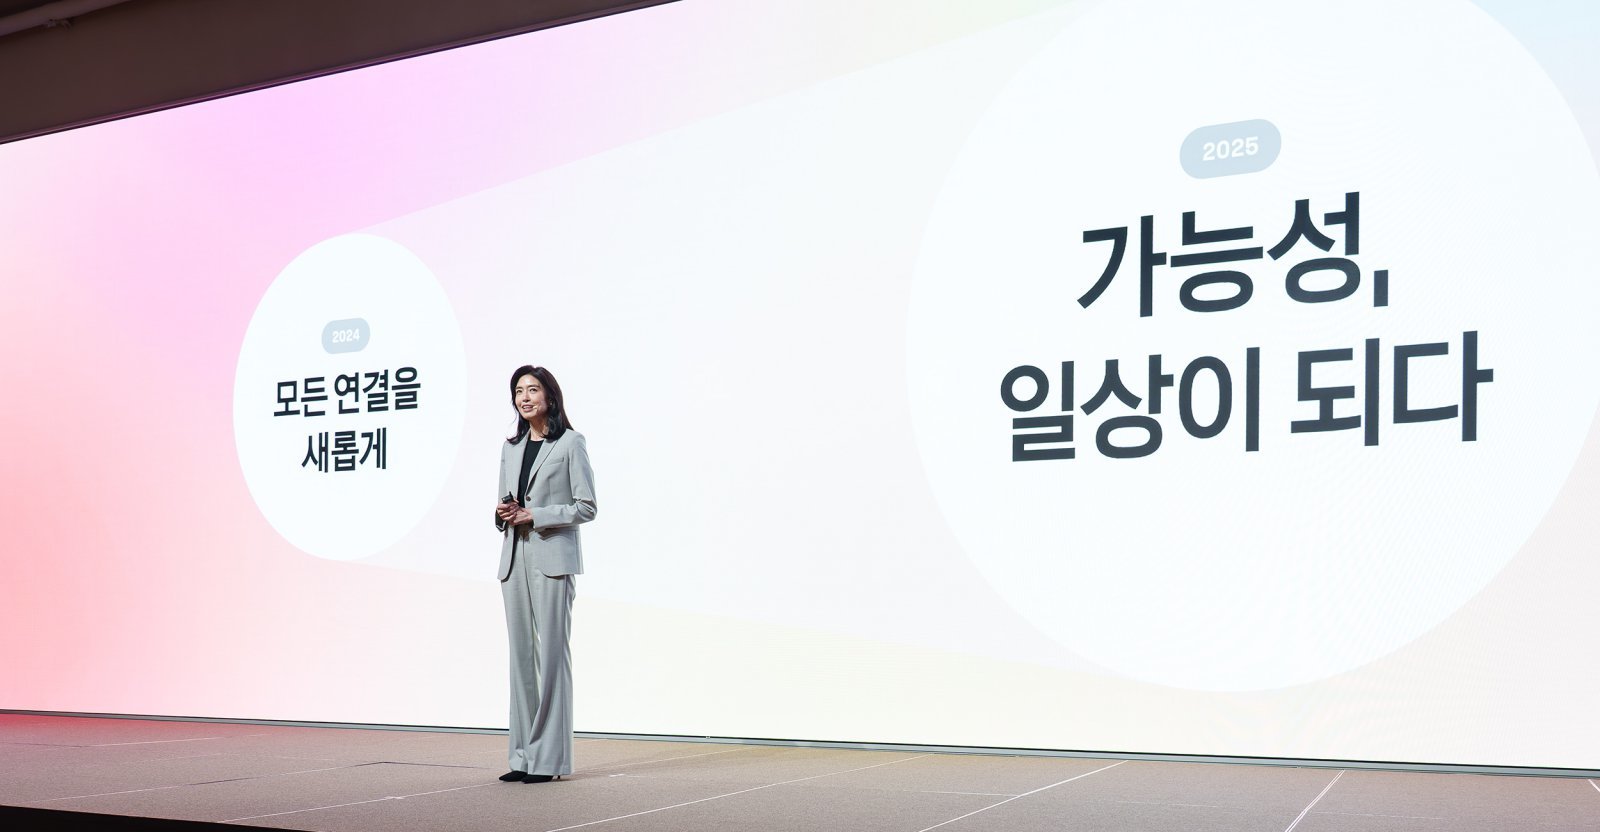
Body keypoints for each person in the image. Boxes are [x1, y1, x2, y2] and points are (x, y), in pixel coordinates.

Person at [493, 365, 595, 784]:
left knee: (552, 658)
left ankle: (549, 761)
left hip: (552, 558)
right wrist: (503, 513)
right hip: (514, 556)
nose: (525, 397)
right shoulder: (511, 447)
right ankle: (523, 757)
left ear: (549, 396)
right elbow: (507, 503)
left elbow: (586, 507)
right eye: (519, 391)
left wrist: (536, 514)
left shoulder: (571, 443)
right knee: (520, 659)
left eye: (533, 389)